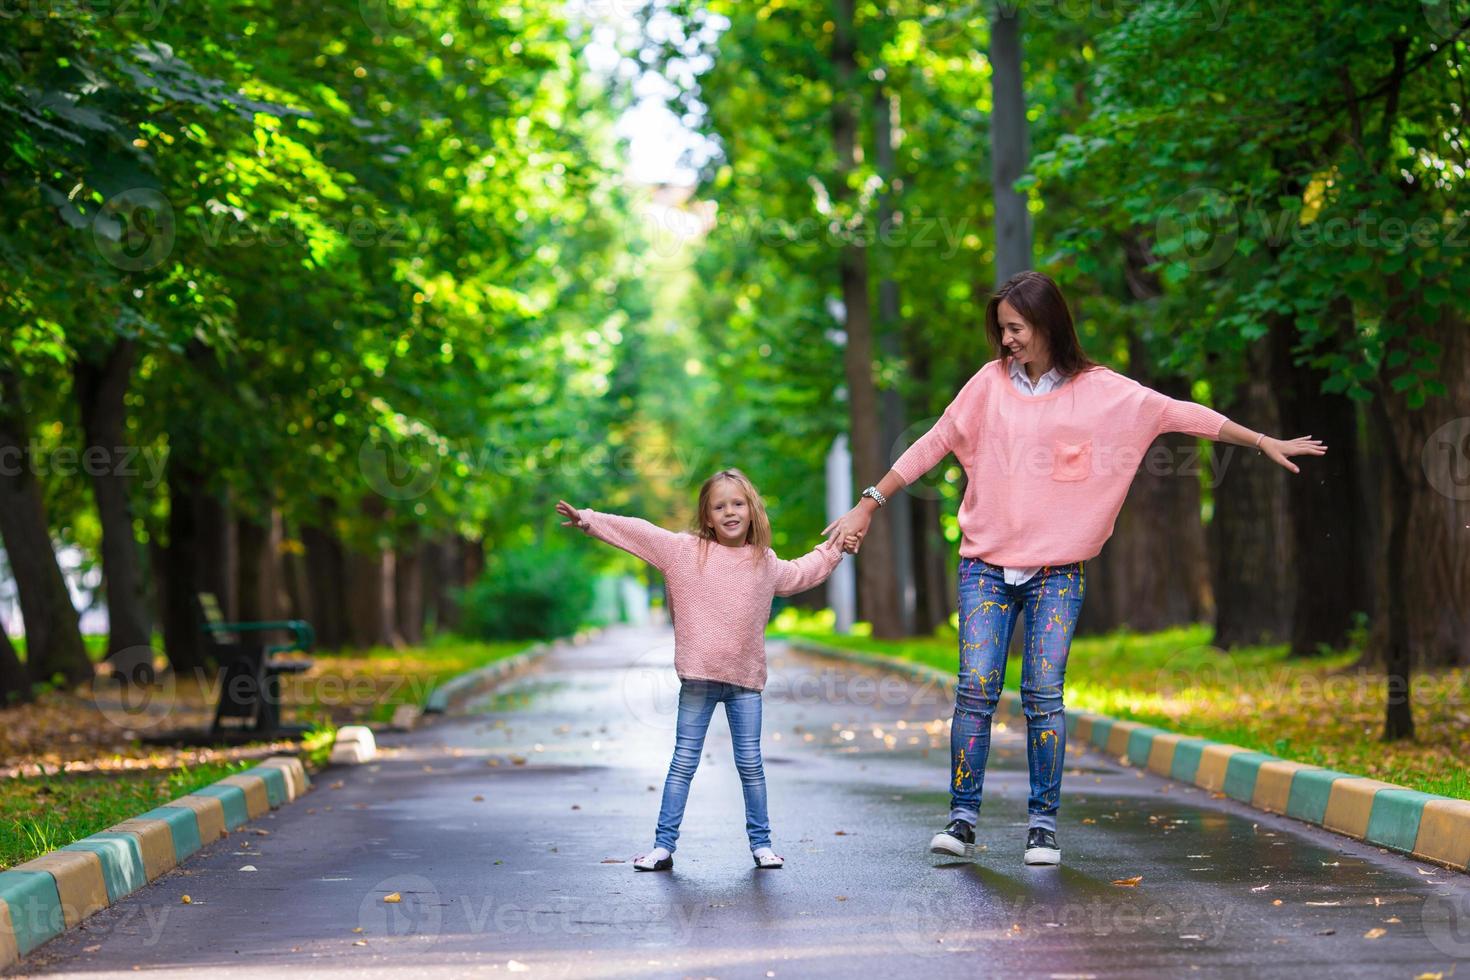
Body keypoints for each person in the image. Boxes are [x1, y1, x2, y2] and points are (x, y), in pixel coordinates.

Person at [824, 270, 1326, 867]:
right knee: (975, 691)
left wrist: (1260, 439)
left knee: (1042, 696)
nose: (1006, 340)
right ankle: (962, 819)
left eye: (1015, 328)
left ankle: (1042, 826)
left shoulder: (1102, 391)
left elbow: (1179, 413)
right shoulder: (987, 385)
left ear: (1047, 325)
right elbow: (933, 441)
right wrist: (869, 503)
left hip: (1057, 571)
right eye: (1001, 329)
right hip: (985, 564)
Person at [557, 468, 854, 871]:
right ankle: (663, 846)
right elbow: (640, 531)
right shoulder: (684, 551)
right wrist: (590, 519)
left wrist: (836, 548)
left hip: (745, 683)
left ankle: (762, 845)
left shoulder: (762, 561)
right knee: (683, 762)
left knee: (750, 764)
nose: (729, 511)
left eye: (738, 503)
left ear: (752, 510)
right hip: (698, 680)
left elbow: (802, 572)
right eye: (719, 506)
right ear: (707, 516)